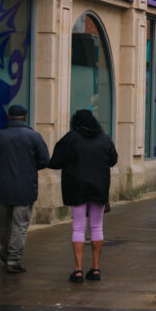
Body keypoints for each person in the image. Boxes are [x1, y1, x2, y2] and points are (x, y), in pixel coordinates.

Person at [48, 108, 118, 283]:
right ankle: (95, 268)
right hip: (99, 188)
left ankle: (78, 270)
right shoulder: (104, 138)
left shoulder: (71, 138)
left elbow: (55, 161)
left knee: (78, 227)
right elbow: (113, 159)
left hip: (76, 187)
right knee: (97, 226)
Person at [0, 103, 49, 274]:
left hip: (4, 187)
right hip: (26, 188)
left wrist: (3, 169)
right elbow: (44, 160)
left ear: (9, 117)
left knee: (4, 223)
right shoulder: (34, 136)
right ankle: (13, 259)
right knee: (20, 225)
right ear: (25, 117)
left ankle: (5, 253)